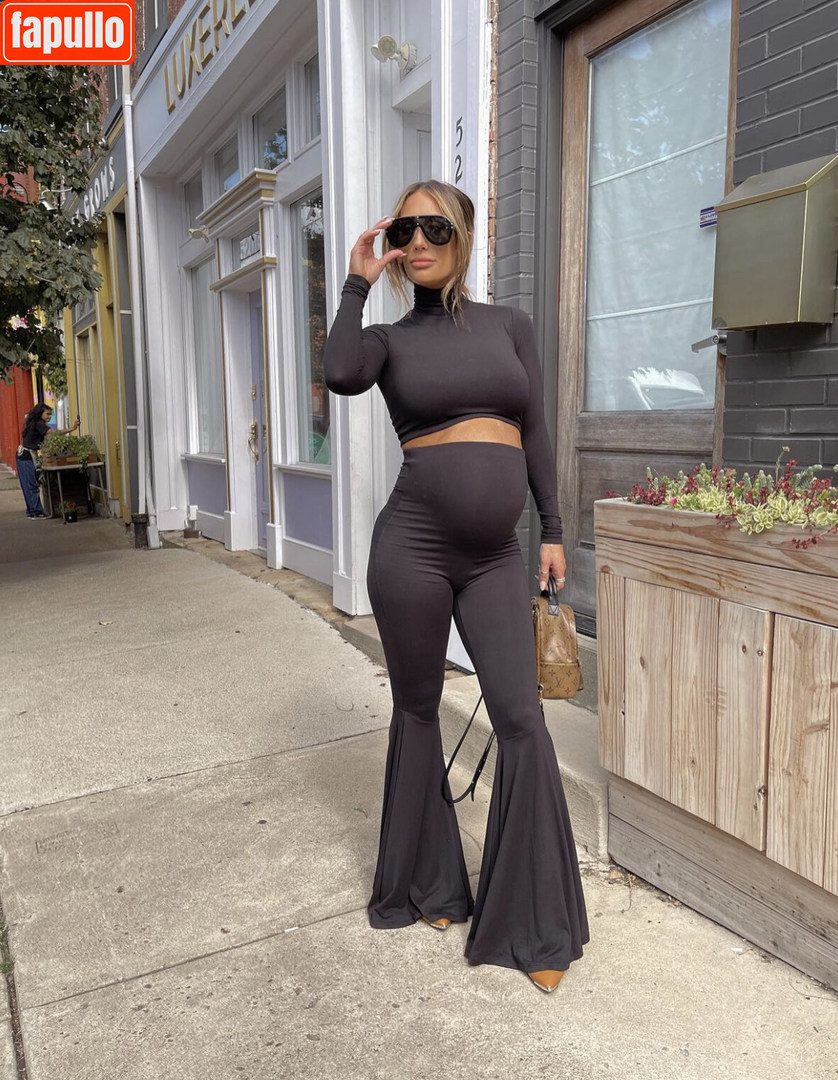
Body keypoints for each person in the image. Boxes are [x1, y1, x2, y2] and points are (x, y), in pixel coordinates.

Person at [324, 180, 589, 994]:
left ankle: (533, 925)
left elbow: (534, 430)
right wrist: (356, 280)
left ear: (464, 235)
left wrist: (551, 529)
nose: (418, 241)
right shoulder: (387, 340)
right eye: (404, 229)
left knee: (520, 718)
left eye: (434, 227)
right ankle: (429, 885)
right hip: (410, 548)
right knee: (415, 711)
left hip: (495, 557)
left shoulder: (510, 326)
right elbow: (339, 373)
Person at [16, 404, 79, 519]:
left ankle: (31, 511)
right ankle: (36, 512)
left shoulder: (34, 422)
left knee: (27, 486)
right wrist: (72, 428)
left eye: (51, 414)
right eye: (47, 414)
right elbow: (53, 433)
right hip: (26, 456)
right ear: (40, 413)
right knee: (31, 486)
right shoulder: (39, 423)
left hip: (23, 456)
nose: (49, 416)